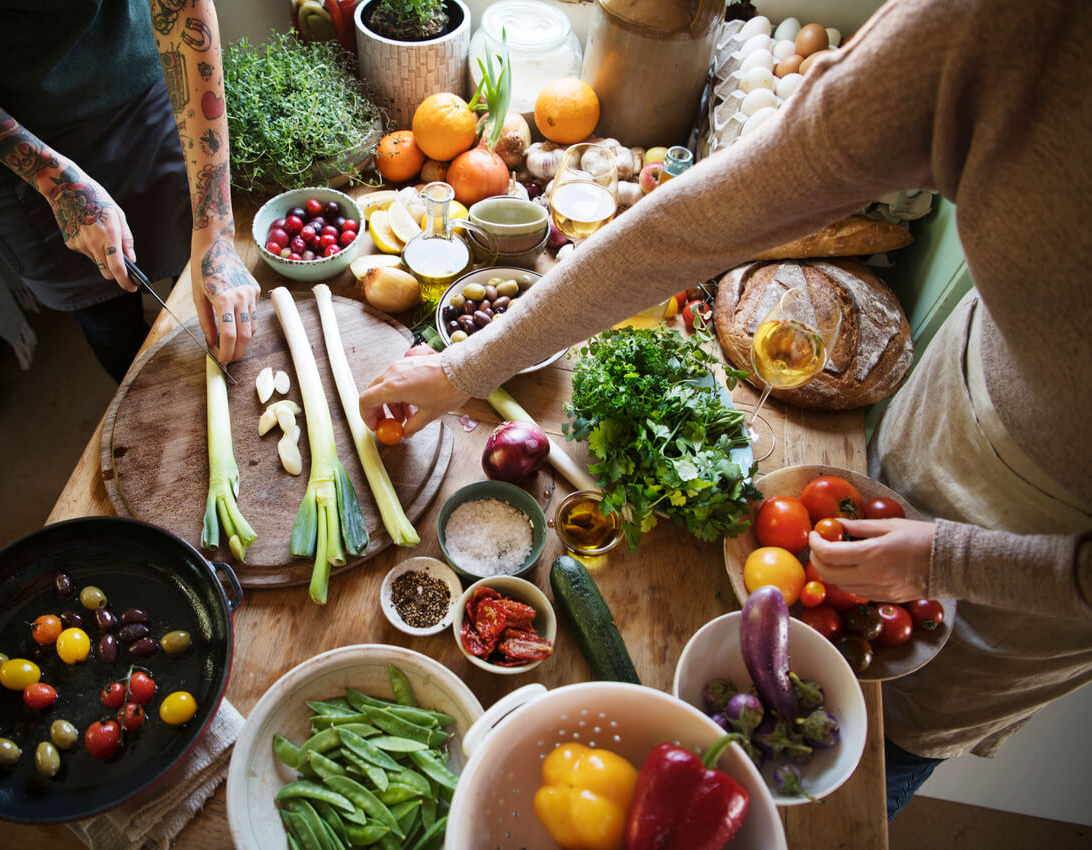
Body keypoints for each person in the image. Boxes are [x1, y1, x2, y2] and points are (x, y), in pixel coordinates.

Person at [358, 0, 1092, 819]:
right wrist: (468, 364)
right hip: (954, 400)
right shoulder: (1004, 25)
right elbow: (695, 223)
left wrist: (954, 561)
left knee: (859, 745)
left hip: (1050, 569)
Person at [0, 0, 260, 381]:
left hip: (129, 78)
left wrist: (217, 230)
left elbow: (185, 10)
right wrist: (53, 179)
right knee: (98, 300)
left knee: (188, 250)